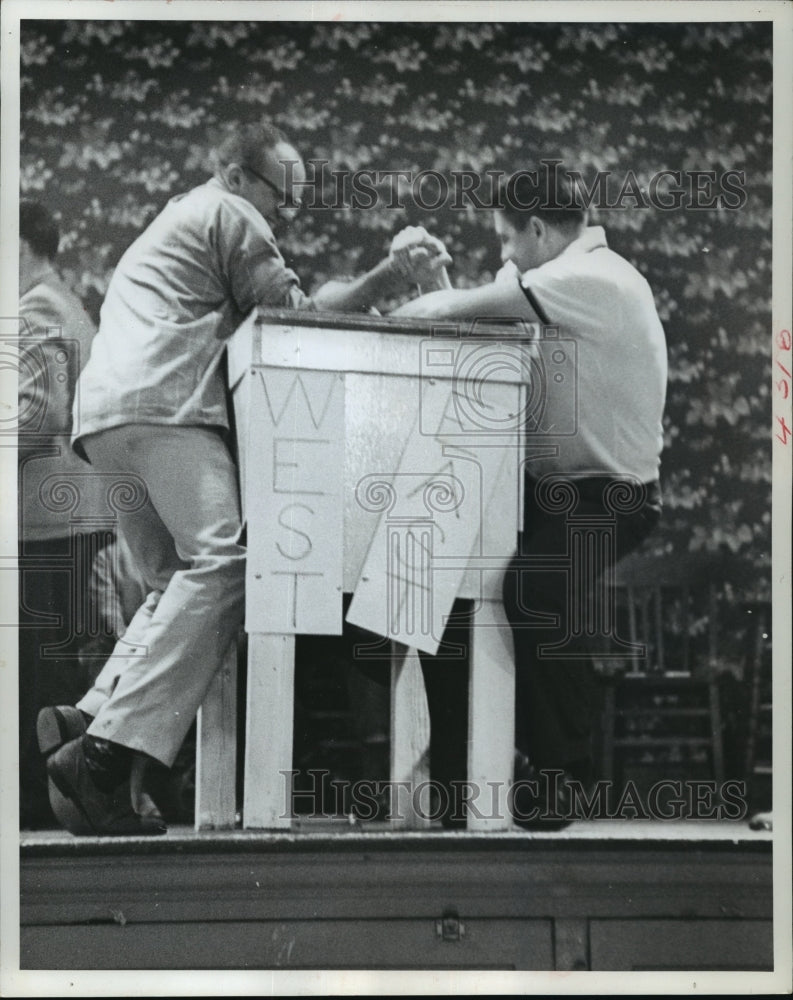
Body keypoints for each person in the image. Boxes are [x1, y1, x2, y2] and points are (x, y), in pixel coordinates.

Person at [41, 119, 450, 836]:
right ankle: (102, 752)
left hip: (102, 421)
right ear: (235, 176)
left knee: (177, 584)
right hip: (165, 407)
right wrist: (389, 276)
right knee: (230, 564)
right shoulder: (232, 214)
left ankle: (96, 709)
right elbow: (290, 319)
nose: (281, 212)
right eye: (278, 194)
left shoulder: (173, 218)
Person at [393, 166, 667, 827]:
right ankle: (461, 777)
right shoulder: (565, 283)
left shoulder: (594, 278)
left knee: (534, 589)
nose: (504, 256)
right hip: (557, 492)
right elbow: (484, 317)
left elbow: (449, 312)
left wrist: (418, 294)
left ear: (538, 230)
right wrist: (442, 289)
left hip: (612, 494)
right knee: (448, 578)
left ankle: (562, 776)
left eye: (505, 241)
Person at [17, 201, 103, 827]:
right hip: (67, 515)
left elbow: (39, 414)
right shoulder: (64, 301)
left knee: (39, 672)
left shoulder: (37, 306)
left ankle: (34, 806)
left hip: (47, 519)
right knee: (52, 668)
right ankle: (50, 802)